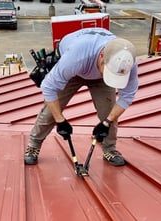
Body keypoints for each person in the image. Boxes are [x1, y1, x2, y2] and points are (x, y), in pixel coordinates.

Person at [24, 27, 138, 167]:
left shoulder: (127, 63)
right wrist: (60, 120)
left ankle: (110, 149)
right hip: (76, 71)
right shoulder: (76, 57)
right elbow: (48, 87)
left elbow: (127, 96)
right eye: (108, 72)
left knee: (109, 112)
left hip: (97, 75)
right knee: (51, 112)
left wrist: (107, 122)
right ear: (102, 55)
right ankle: (33, 145)